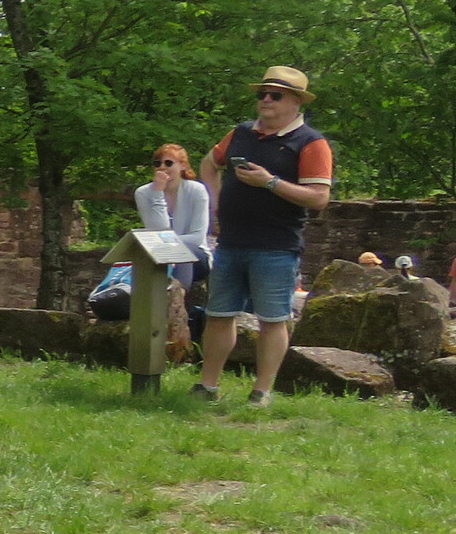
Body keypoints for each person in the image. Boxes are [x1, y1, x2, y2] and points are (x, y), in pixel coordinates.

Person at [194, 66, 333, 404]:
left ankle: (262, 391)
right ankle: (207, 386)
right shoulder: (241, 132)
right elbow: (209, 164)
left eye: (276, 95)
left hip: (276, 247)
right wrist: (214, 206)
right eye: (262, 94)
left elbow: (319, 198)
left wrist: (269, 182)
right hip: (230, 243)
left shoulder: (311, 142)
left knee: (272, 320)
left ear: (296, 101)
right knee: (218, 315)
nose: (266, 100)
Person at [135, 144, 211, 299]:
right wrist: (157, 194)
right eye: (157, 163)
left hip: (196, 256)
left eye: (168, 163)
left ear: (183, 166)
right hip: (160, 255)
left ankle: (177, 298)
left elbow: (197, 238)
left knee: (183, 250)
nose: (162, 167)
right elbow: (157, 231)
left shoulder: (196, 190)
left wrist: (167, 242)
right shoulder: (144, 193)